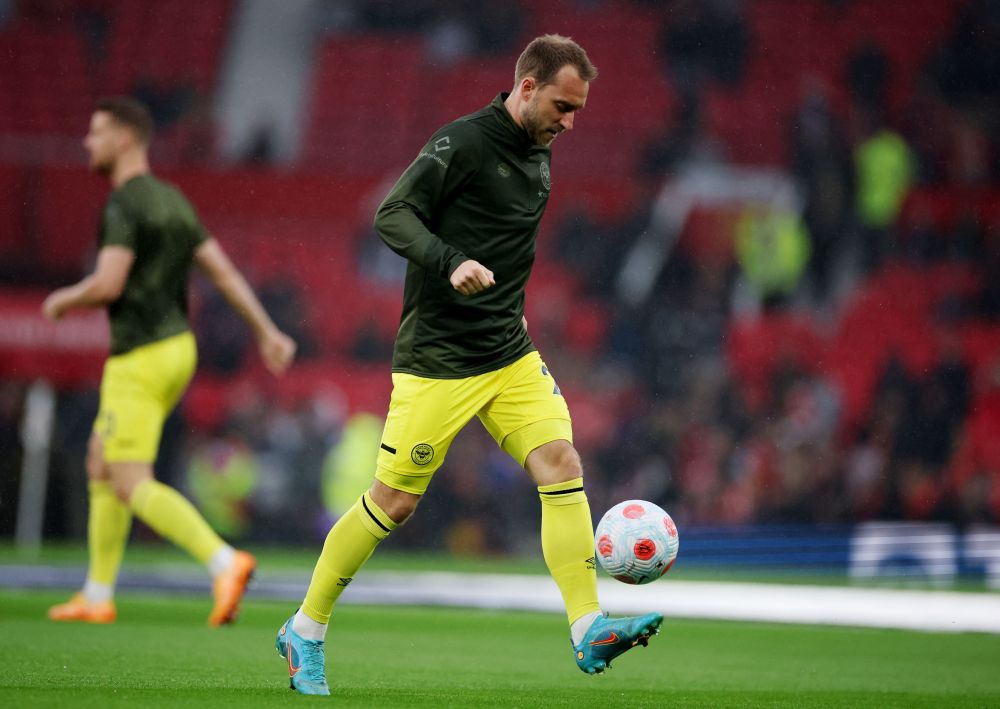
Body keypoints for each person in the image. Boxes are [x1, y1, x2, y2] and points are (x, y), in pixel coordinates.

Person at [275, 35, 662, 696]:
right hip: (438, 360)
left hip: (508, 354)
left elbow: (508, 250)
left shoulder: (539, 155)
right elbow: (392, 215)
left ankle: (587, 624)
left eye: (578, 111)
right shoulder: (463, 143)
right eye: (563, 106)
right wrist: (449, 260)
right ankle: (304, 630)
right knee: (394, 501)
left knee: (561, 462)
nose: (570, 122)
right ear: (529, 86)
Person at [43, 97, 296, 626]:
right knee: (99, 457)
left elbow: (109, 284)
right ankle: (96, 593)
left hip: (140, 355)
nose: (88, 143)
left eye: (97, 133)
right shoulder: (173, 201)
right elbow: (222, 272)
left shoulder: (124, 204)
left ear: (126, 139)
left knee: (130, 478)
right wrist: (266, 330)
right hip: (178, 348)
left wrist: (65, 299)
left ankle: (224, 561)